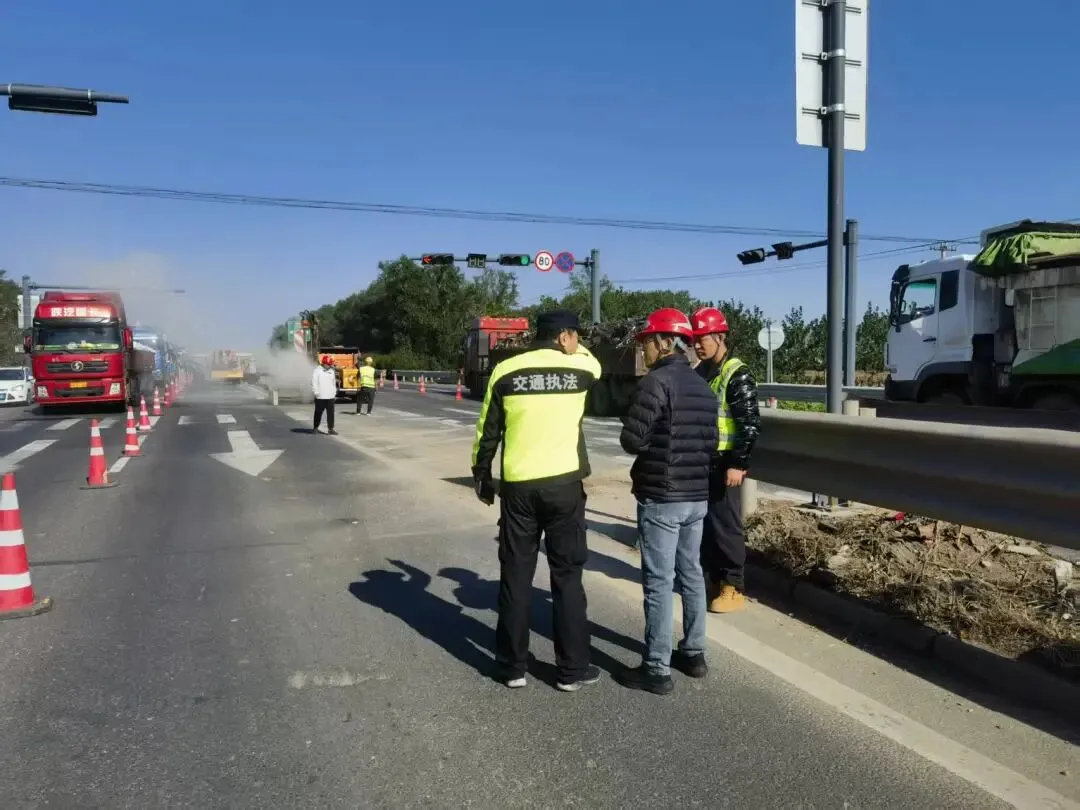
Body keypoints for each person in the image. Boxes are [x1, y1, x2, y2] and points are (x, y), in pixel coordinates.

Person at [471, 309, 603, 692]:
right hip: (564, 487)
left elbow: (487, 429)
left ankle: (512, 667)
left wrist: (481, 474)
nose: (578, 341)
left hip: (518, 490)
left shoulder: (506, 371)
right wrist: (574, 349)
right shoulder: (580, 370)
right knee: (567, 577)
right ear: (564, 336)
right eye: (575, 335)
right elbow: (594, 363)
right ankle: (571, 671)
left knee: (515, 575)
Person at [614, 308, 719, 695]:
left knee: (659, 581)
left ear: (664, 342)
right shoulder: (703, 387)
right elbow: (710, 445)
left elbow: (632, 440)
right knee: (691, 573)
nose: (643, 349)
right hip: (697, 496)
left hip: (662, 496)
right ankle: (694, 653)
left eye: (646, 342)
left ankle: (656, 668)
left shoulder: (655, 383)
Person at [690, 306, 761, 613]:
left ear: (719, 337)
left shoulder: (737, 373)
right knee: (704, 525)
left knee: (726, 525)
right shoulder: (701, 372)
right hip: (701, 462)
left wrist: (738, 463)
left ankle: (733, 586)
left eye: (702, 338)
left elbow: (749, 423)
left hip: (724, 463)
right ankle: (712, 580)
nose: (696, 344)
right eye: (693, 339)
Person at [311, 355, 339, 435]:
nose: (329, 366)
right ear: (323, 363)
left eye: (330, 364)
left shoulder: (331, 371)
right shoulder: (317, 371)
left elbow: (333, 383)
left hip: (330, 397)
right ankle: (315, 427)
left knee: (331, 414)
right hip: (320, 397)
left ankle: (331, 429)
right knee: (318, 413)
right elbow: (314, 382)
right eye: (327, 364)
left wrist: (334, 393)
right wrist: (316, 393)